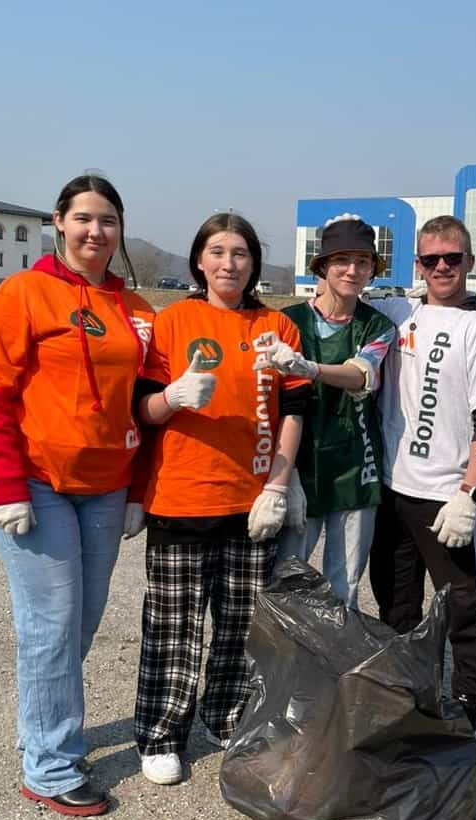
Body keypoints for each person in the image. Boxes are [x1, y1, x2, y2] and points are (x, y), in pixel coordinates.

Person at [0, 174, 155, 817]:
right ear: (58, 222)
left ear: (120, 229)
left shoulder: (137, 310)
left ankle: (45, 725)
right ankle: (48, 765)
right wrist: (6, 482)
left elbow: (144, 405)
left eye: (107, 220)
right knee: (49, 627)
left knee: (80, 624)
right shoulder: (25, 293)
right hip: (37, 485)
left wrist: (138, 490)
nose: (95, 231)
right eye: (84, 218)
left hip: (106, 489)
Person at [132, 213, 309, 786]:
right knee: (174, 626)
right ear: (199, 261)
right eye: (217, 251)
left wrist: (279, 486)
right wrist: (173, 398)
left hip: (249, 502)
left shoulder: (277, 326)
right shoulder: (173, 323)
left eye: (240, 253)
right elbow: (143, 410)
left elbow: (295, 412)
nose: (228, 263)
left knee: (239, 626)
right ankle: (161, 732)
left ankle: (224, 713)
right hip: (182, 497)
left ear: (254, 262)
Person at [367, 215, 476, 731]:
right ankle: (410, 695)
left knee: (466, 607)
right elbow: (338, 296)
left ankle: (467, 705)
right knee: (395, 603)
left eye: (453, 258)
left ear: (469, 262)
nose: (443, 267)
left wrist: (470, 493)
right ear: (418, 265)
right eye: (432, 259)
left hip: (447, 496)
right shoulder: (396, 312)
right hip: (392, 491)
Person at [257, 215, 396, 608]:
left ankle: (336, 666)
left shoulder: (379, 327)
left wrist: (310, 368)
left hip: (357, 465)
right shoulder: (288, 322)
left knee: (345, 583)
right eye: (342, 260)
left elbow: (360, 375)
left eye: (363, 262)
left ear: (373, 269)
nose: (352, 270)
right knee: (287, 579)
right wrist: (287, 477)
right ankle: (282, 668)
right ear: (322, 266)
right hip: (301, 463)